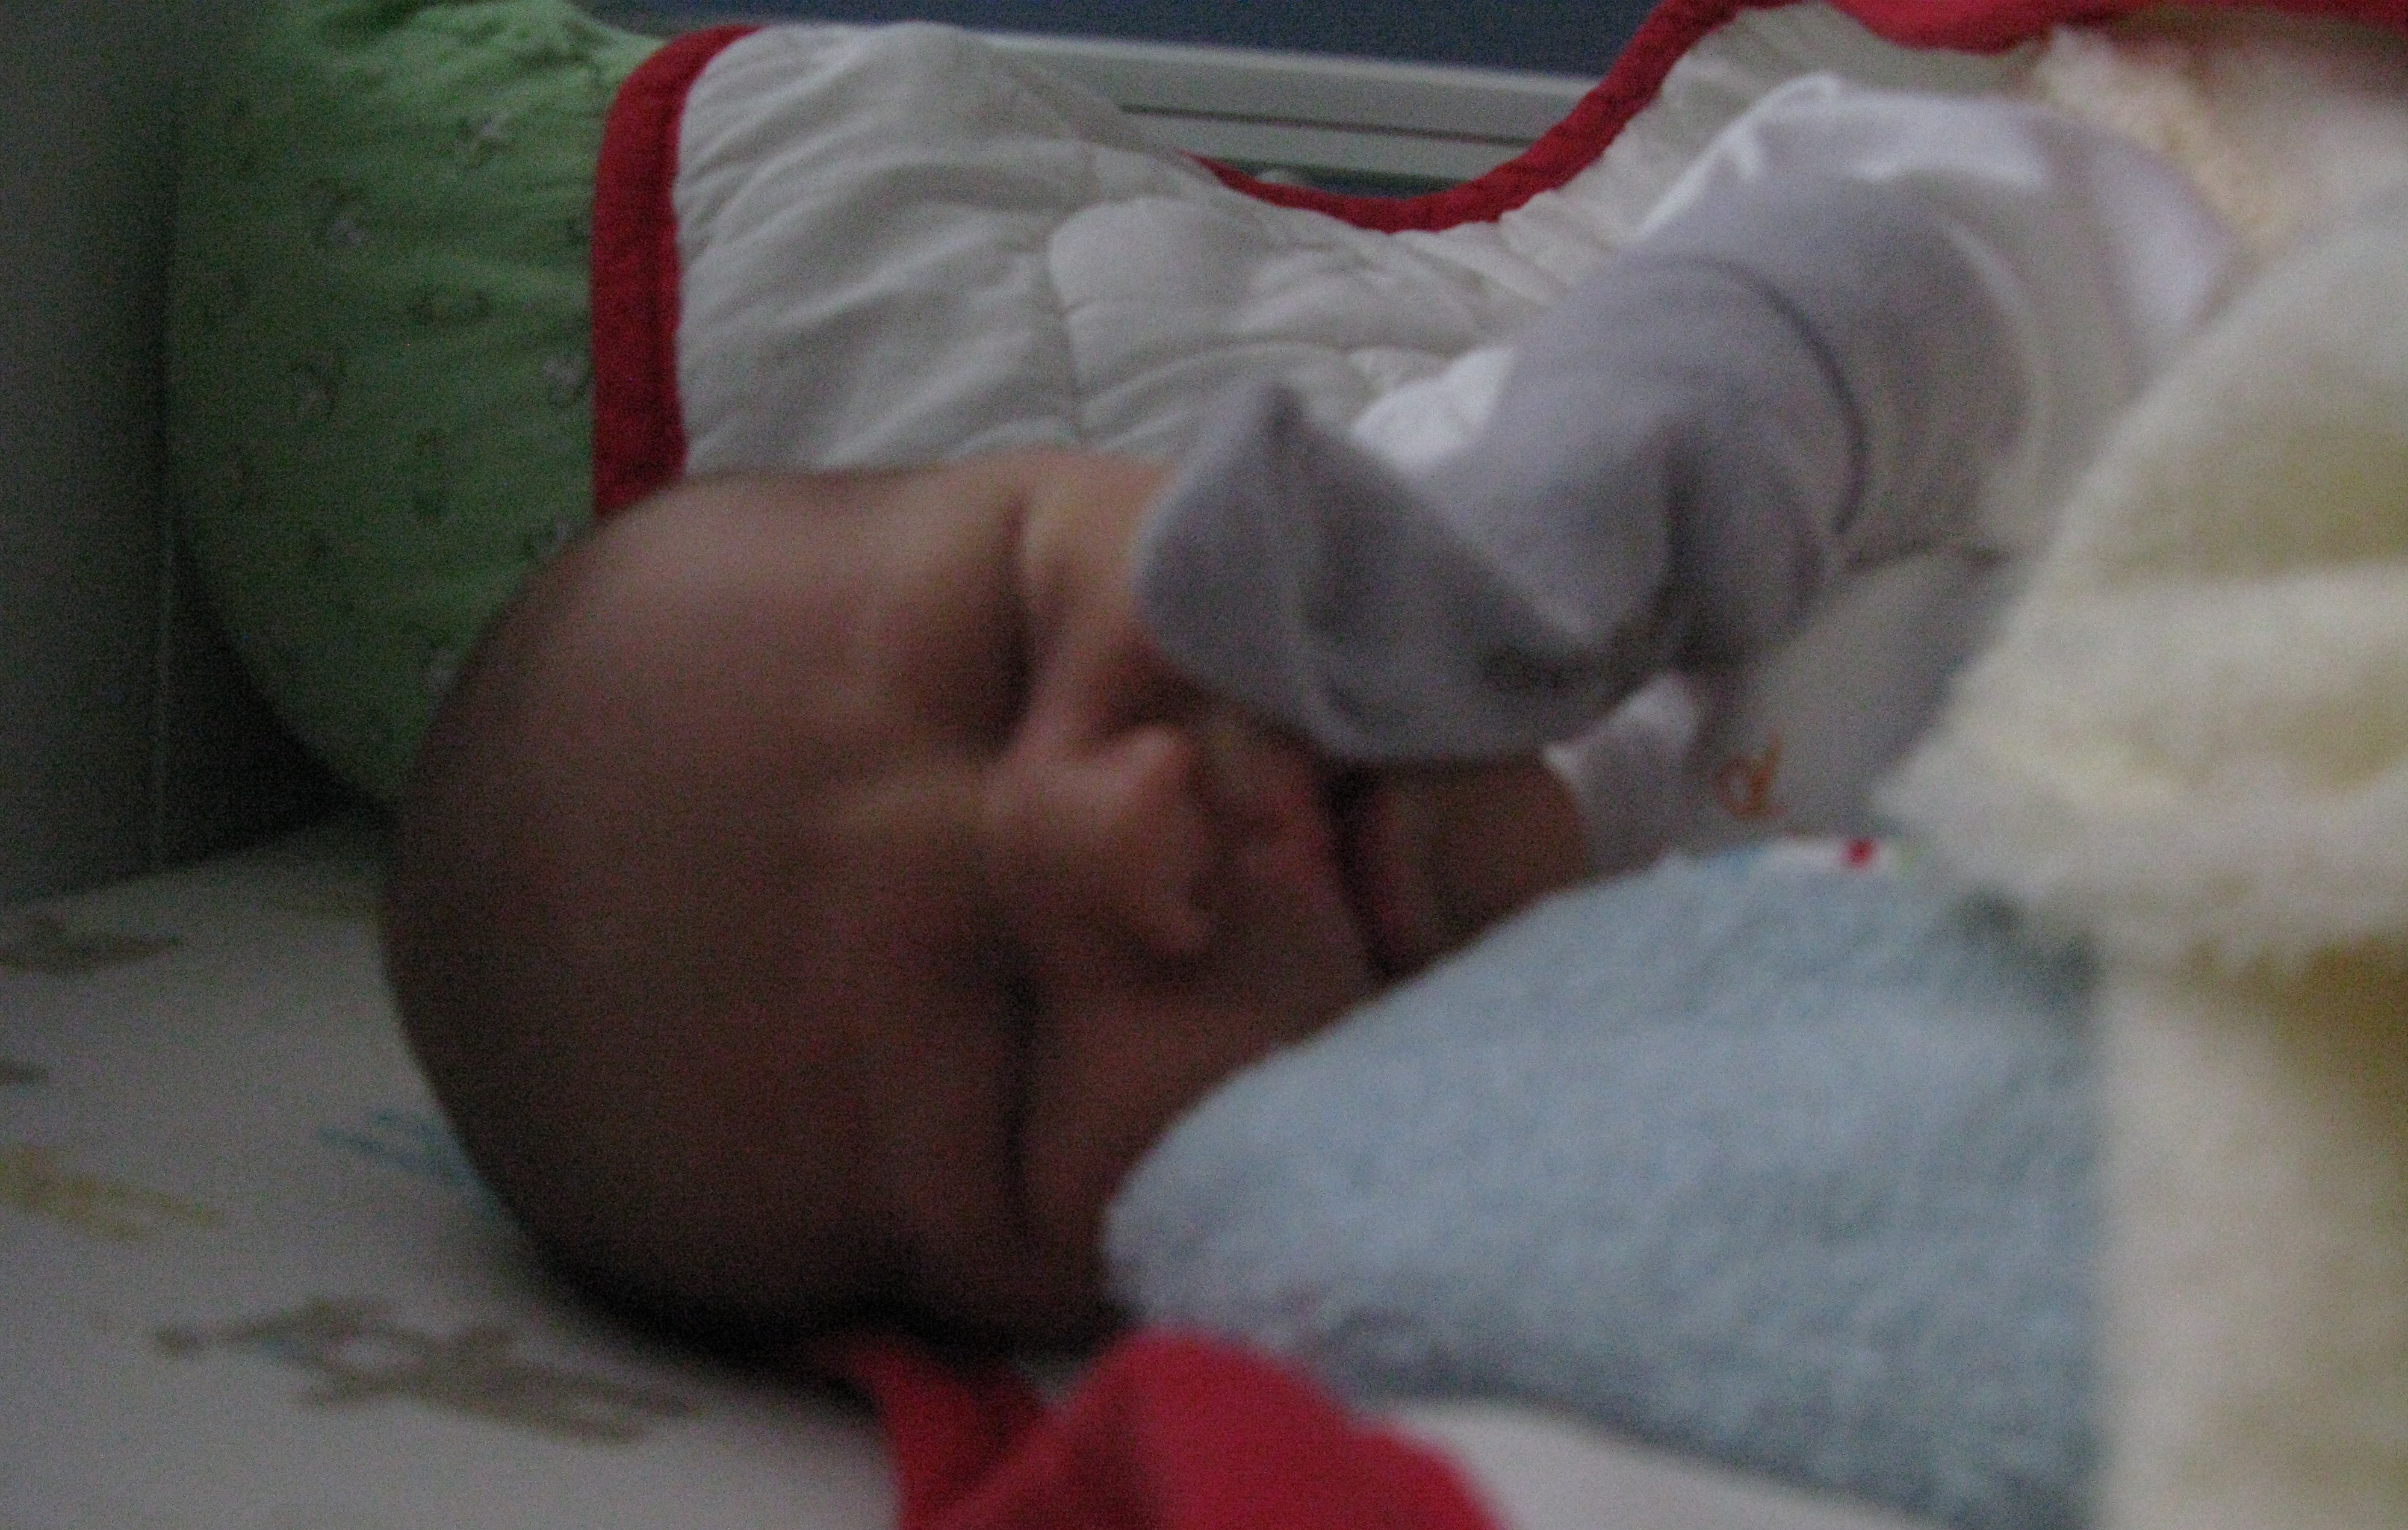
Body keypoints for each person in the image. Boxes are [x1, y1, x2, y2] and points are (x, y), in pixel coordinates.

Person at [382, 68, 2246, 1348]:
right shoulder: (1507, 1284)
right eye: (1015, 1045)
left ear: (1073, 472)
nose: (1126, 830)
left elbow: (1944, 233)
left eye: (1011, 654)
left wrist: (1624, 481)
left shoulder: (1505, 475)